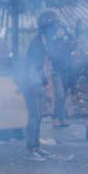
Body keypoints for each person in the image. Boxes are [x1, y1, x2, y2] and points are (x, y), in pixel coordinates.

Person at [20, 10, 60, 160]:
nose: (56, 30)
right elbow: (36, 67)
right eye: (54, 27)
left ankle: (36, 146)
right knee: (33, 117)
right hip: (31, 83)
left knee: (38, 116)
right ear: (47, 28)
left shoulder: (43, 42)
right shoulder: (38, 44)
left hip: (36, 82)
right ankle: (31, 149)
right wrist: (43, 82)